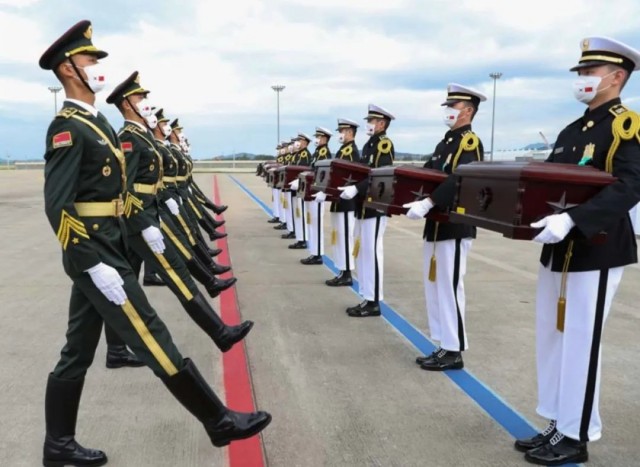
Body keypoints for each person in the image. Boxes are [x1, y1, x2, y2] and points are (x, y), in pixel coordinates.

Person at [39, 20, 271, 466]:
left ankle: (58, 444)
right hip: (95, 252)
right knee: (150, 332)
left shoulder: (95, 122)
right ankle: (218, 420)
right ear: (68, 69)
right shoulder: (67, 127)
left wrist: (132, 228)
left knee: (77, 350)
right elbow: (58, 205)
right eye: (89, 59)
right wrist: (92, 262)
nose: (97, 66)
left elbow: (117, 189)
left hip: (109, 243)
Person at [511, 37, 640, 465]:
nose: (582, 78)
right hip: (559, 251)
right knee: (552, 339)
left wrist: (573, 220)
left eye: (589, 72)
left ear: (616, 77)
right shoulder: (572, 131)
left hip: (596, 249)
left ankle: (576, 434)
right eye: (580, 72)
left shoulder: (625, 126)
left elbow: (632, 184)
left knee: (581, 343)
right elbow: (547, 181)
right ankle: (556, 421)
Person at [106, 71, 250, 350]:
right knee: (176, 273)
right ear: (126, 104)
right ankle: (220, 332)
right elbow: (125, 187)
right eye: (139, 97)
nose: (145, 102)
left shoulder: (142, 136)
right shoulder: (128, 138)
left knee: (125, 284)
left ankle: (116, 350)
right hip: (140, 220)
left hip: (148, 214)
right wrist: (144, 222)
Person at [403, 84, 485, 371]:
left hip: (455, 225)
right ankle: (443, 344)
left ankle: (454, 350)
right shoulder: (445, 144)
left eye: (454, 106)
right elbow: (427, 174)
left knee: (449, 287)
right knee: (435, 287)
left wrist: (428, 202)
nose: (448, 111)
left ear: (468, 111)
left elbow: (460, 179)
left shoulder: (469, 142)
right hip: (436, 225)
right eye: (447, 106)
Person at [339, 105, 395, 317]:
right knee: (364, 253)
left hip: (375, 206)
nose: (368, 124)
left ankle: (374, 302)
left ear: (381, 123)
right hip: (364, 206)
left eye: (371, 121)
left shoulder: (383, 145)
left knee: (372, 253)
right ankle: (367, 296)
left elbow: (380, 175)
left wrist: (356, 188)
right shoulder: (369, 145)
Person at [317, 119, 360, 286]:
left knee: (345, 238)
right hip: (338, 201)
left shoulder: (352, 152)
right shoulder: (343, 150)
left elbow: (353, 176)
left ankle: (347, 273)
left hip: (347, 202)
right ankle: (342, 270)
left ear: (350, 132)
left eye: (342, 131)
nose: (340, 134)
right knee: (339, 237)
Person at [301, 127, 332, 265]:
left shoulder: (324, 153)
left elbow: (324, 173)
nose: (316, 139)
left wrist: (322, 190)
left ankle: (318, 254)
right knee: (312, 224)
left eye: (319, 137)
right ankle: (314, 252)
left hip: (317, 192)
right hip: (312, 191)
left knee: (316, 225)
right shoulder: (317, 152)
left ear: (324, 139)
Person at [288, 133, 312, 250]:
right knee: (298, 214)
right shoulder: (298, 154)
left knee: (301, 215)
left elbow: (305, 171)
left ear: (305, 143)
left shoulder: (305, 154)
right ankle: (299, 237)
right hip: (296, 188)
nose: (298, 143)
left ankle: (303, 240)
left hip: (301, 188)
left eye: (300, 141)